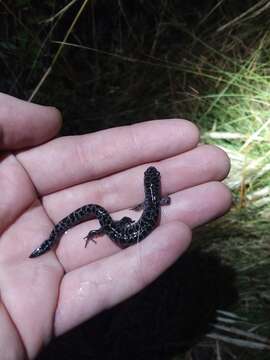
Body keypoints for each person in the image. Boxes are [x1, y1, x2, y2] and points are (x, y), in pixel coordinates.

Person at [0, 92, 231, 360]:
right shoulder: (155, 201)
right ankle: (56, 237)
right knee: (109, 219)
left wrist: (106, 226)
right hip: (122, 231)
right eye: (151, 178)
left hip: (121, 232)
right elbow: (157, 203)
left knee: (108, 219)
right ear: (153, 188)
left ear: (149, 188)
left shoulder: (148, 203)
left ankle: (60, 236)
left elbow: (145, 207)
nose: (151, 177)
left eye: (150, 178)